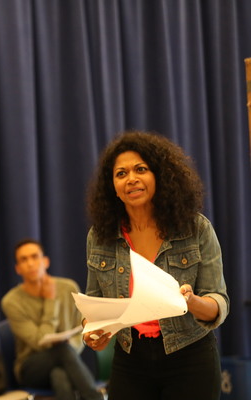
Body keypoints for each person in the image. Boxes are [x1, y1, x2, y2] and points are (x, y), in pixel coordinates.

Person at [83, 130, 229, 400]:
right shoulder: (100, 236)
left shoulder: (195, 227)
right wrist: (91, 333)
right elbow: (94, 305)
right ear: (112, 187)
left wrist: (193, 301)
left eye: (141, 169)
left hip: (190, 357)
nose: (132, 179)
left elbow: (218, 302)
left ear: (159, 176)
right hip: (130, 359)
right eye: (121, 174)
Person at [1, 238, 104, 400]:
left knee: (59, 375)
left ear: (45, 261)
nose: (30, 263)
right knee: (62, 351)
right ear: (18, 269)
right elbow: (39, 342)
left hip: (68, 362)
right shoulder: (11, 301)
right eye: (24, 260)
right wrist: (51, 300)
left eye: (35, 257)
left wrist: (72, 347)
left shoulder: (68, 287)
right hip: (32, 367)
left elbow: (81, 329)